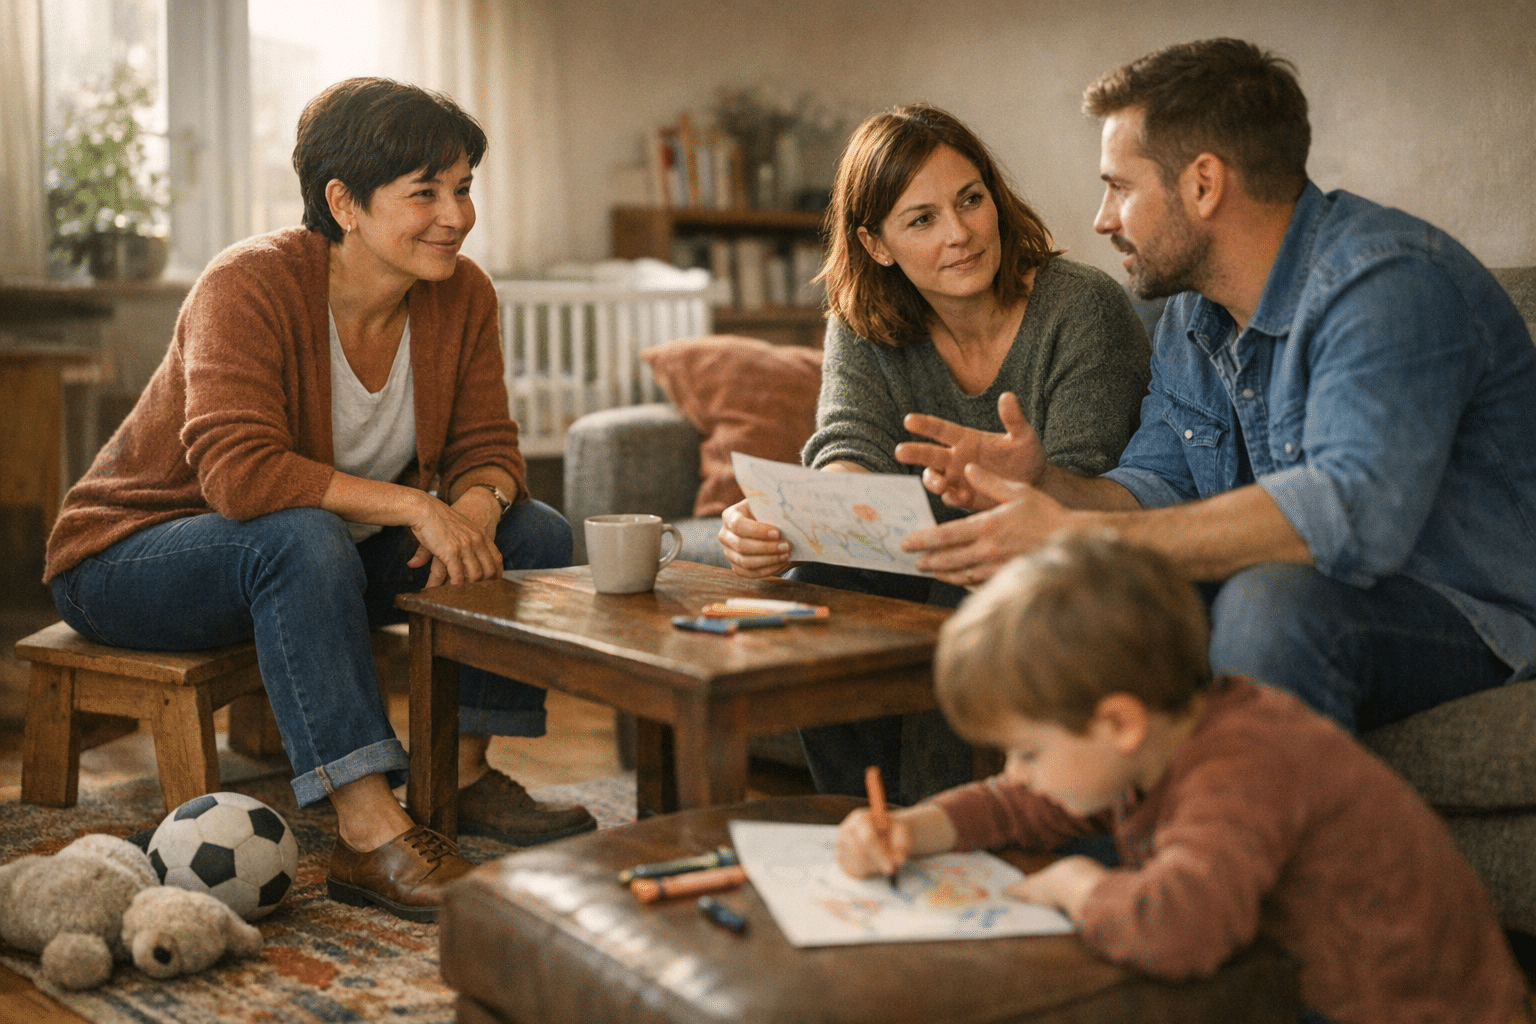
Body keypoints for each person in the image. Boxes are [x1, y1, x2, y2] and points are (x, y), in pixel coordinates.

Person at [43, 78, 594, 923]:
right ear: (344, 202)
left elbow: (490, 449)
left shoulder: (463, 293)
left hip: (305, 555)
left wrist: (478, 513)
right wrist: (417, 508)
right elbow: (240, 475)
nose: (456, 215)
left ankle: (465, 775)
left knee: (533, 530)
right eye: (426, 194)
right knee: (301, 536)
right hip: (134, 556)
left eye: (464, 189)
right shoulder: (248, 285)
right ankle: (367, 830)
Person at [899, 39, 1536, 733]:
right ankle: (1084, 841)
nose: (1100, 218)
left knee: (1271, 604)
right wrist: (1048, 485)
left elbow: (1349, 514)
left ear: (1203, 184)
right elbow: (1157, 480)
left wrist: (1079, 535)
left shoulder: (1387, 284)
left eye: (1119, 186)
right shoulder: (1193, 312)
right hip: (1315, 590)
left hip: (1473, 614)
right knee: (1082, 600)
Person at [836, 533, 1529, 1024]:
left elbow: (1179, 929)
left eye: (1027, 751)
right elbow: (1024, 806)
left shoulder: (1242, 766)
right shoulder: (1157, 737)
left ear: (1117, 724)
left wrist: (1080, 887)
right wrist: (914, 827)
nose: (1018, 774)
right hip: (1303, 981)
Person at [717, 103, 1151, 802]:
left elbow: (1090, 485)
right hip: (928, 550)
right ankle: (859, 819)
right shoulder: (861, 319)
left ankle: (939, 836)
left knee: (964, 589)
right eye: (922, 220)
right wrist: (799, 522)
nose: (961, 234)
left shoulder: (1082, 309)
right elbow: (848, 445)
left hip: (1066, 563)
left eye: (971, 200)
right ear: (877, 243)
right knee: (814, 591)